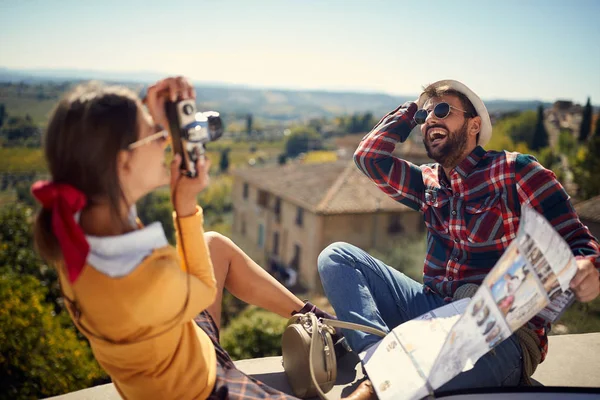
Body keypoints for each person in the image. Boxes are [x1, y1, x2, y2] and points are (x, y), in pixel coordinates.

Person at [31, 77, 334, 399]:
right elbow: (204, 290)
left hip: (182, 345)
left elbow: (112, 167)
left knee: (213, 244)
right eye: (155, 135)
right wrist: (184, 206)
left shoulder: (81, 223)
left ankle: (322, 322)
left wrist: (152, 117)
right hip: (199, 389)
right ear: (122, 162)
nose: (165, 141)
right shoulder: (138, 278)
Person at [318, 79, 600, 393]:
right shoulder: (426, 182)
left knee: (425, 381)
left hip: (501, 332)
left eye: (443, 110)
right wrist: (413, 112)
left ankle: (385, 382)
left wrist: (588, 265)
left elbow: (579, 239)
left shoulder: (515, 171)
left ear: (474, 124)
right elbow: (368, 157)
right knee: (337, 256)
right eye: (426, 118)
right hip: (433, 312)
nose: (431, 121)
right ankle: (377, 359)